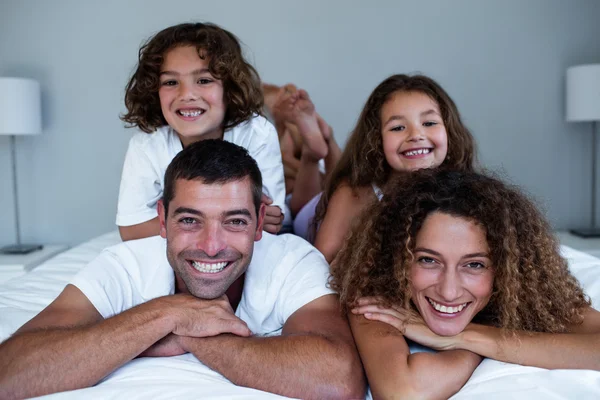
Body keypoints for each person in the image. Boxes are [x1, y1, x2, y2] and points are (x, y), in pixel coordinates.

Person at [0, 140, 365, 400]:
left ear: (258, 223)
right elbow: (9, 373)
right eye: (190, 220)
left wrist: (189, 333)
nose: (211, 245)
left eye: (235, 221)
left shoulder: (294, 261)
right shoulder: (123, 265)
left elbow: (338, 379)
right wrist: (167, 312)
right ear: (162, 220)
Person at [330, 169, 600, 400]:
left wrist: (468, 337)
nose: (449, 291)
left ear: (505, 269)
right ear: (397, 258)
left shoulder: (525, 292)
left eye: (474, 265)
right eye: (427, 260)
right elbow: (404, 392)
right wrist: (474, 347)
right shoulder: (377, 293)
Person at [117, 22, 287, 241]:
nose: (186, 94)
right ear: (153, 91)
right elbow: (132, 229)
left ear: (229, 88)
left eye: (204, 80)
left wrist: (183, 221)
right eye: (170, 82)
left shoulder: (256, 133)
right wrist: (225, 220)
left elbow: (268, 223)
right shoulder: (147, 145)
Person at [313, 74, 476, 262]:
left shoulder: (467, 197)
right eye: (398, 128)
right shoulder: (355, 194)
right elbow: (320, 264)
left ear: (449, 132)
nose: (416, 135)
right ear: (376, 140)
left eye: (429, 123)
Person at [262, 83, 342, 238]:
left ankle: (312, 154)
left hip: (306, 210)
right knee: (339, 187)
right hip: (313, 207)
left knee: (336, 187)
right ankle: (326, 138)